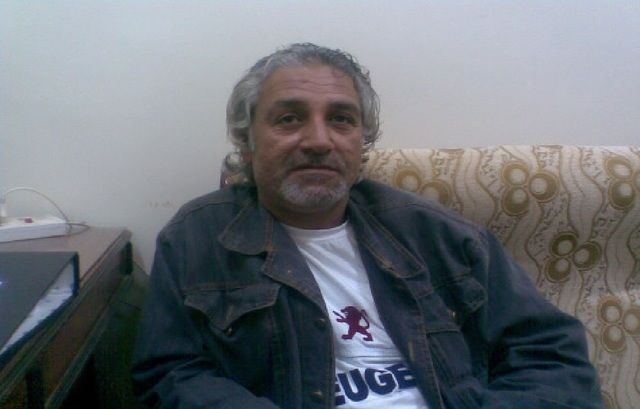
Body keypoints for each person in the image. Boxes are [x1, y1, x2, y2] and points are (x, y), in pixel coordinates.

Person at [132, 43, 603, 409]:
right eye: (289, 119)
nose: (319, 140)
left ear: (362, 142)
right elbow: (170, 373)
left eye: (341, 120)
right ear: (247, 141)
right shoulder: (195, 238)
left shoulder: (439, 234)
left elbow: (551, 355)